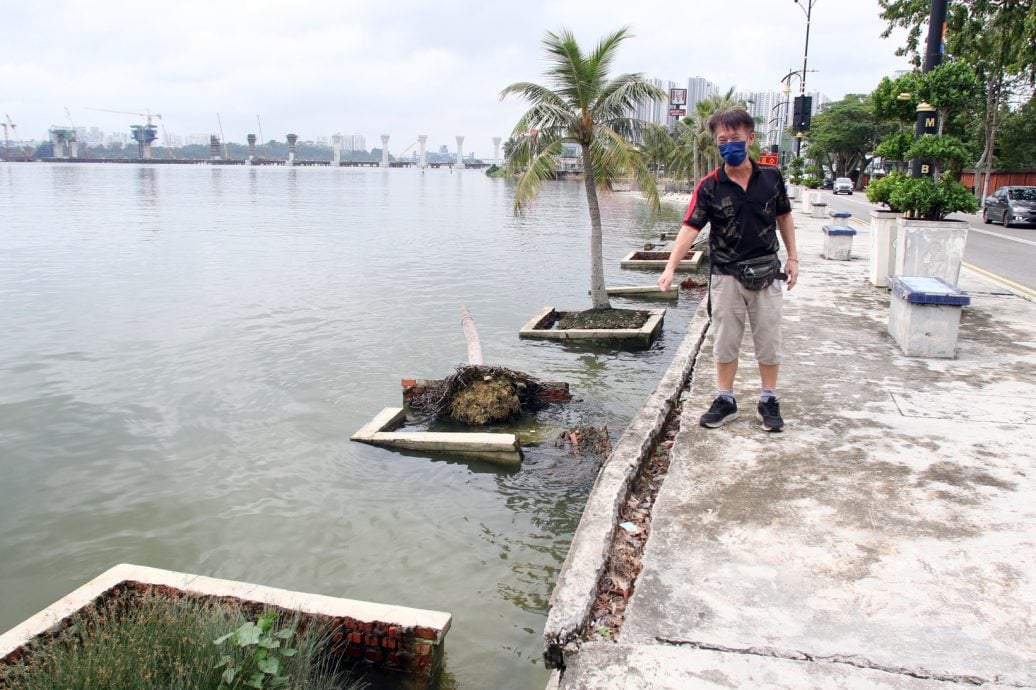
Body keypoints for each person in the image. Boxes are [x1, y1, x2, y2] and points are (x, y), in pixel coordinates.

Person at [658, 108, 799, 432]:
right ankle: (725, 399)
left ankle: (768, 399)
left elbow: (785, 216)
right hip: (726, 276)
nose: (729, 145)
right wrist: (670, 268)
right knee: (725, 342)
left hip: (766, 274)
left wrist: (793, 258)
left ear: (750, 139)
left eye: (735, 138)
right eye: (723, 140)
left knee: (768, 341)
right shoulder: (709, 186)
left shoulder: (771, 177)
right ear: (716, 145)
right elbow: (690, 228)